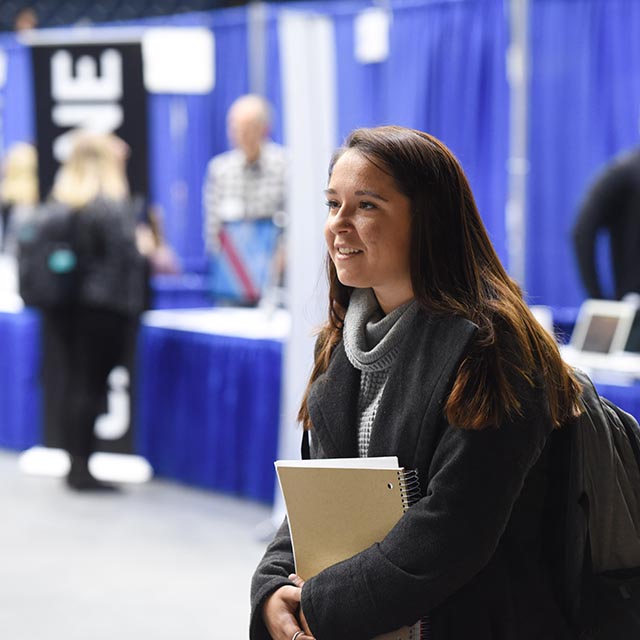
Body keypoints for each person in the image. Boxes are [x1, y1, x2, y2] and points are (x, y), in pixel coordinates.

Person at [250, 126, 584, 640]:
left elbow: (453, 530)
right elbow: (317, 493)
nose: (338, 224)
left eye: (365, 206)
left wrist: (318, 606)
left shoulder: (494, 347)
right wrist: (273, 588)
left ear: (428, 220)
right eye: (332, 203)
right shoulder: (340, 343)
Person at [38, 131, 149, 491]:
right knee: (90, 385)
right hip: (103, 308)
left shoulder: (62, 200)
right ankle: (82, 470)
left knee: (74, 383)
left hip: (66, 307)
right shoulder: (110, 204)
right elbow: (127, 258)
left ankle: (76, 464)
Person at [202, 94, 286, 305]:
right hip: (231, 281)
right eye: (234, 127)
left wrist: (277, 263)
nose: (240, 134)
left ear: (264, 129)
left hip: (276, 282)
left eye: (247, 127)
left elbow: (292, 225)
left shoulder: (285, 166)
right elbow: (213, 230)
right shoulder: (219, 170)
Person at [572, 147, 640, 300]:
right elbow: (583, 231)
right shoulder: (627, 171)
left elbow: (582, 231)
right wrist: (598, 298)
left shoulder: (627, 169)